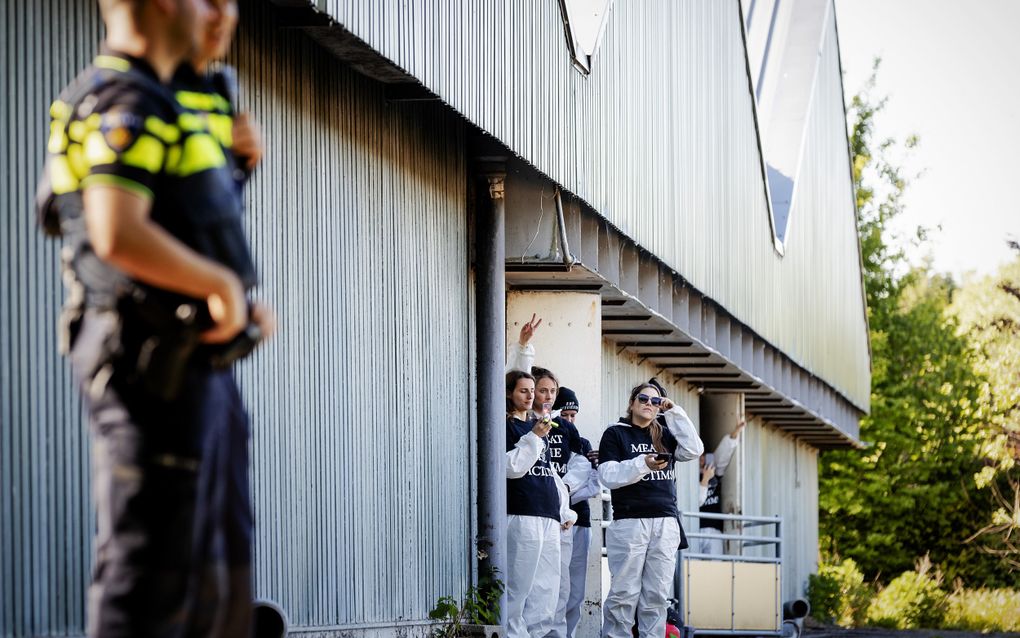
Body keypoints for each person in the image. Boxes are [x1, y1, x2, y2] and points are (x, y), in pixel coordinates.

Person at [35, 1, 274, 635]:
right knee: (150, 578)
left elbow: (180, 219)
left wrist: (239, 168)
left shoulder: (175, 98)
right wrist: (218, 284)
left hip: (198, 368)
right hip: (151, 368)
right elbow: (115, 231)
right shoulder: (122, 96)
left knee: (212, 567)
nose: (224, 14)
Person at [598, 384, 703, 638]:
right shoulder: (615, 434)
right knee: (624, 593)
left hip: (665, 522)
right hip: (630, 522)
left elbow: (694, 449)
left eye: (655, 401)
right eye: (643, 398)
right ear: (632, 402)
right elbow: (608, 475)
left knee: (656, 595)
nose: (649, 403)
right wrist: (642, 464)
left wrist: (673, 411)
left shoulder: (665, 434)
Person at [506, 370, 578, 638]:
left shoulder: (538, 427)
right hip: (521, 513)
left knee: (546, 591)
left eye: (531, 390)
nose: (530, 395)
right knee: (517, 588)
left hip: (548, 516)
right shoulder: (506, 425)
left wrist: (564, 509)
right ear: (509, 393)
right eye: (523, 391)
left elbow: (550, 474)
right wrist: (535, 438)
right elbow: (511, 467)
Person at [552, 387, 601, 638]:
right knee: (552, 586)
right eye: (565, 414)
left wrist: (566, 491)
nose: (569, 421)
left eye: (573, 416)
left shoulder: (582, 444)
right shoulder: (545, 437)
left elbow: (591, 486)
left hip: (579, 519)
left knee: (575, 589)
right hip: (551, 520)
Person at [697, 418, 745, 555]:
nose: (701, 459)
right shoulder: (690, 478)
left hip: (714, 528)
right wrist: (705, 479)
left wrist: (736, 431)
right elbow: (698, 501)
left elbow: (725, 452)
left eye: (703, 456)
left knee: (715, 566)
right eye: (698, 457)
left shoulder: (715, 472)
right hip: (696, 527)